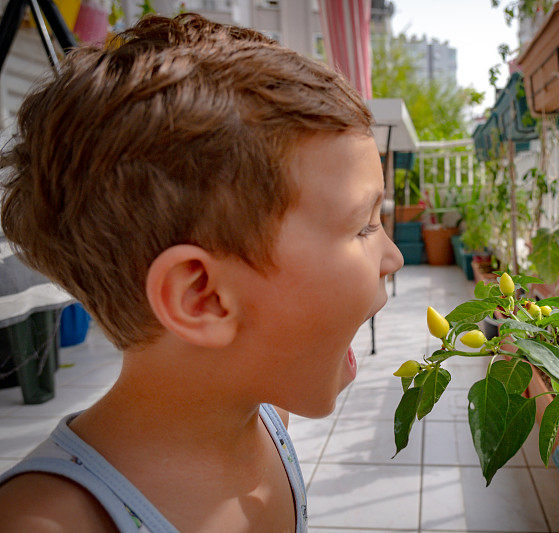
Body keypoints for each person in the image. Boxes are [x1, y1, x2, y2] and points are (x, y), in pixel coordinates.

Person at [0, 13, 403, 532]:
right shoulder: (46, 522)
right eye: (364, 226)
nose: (392, 258)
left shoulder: (268, 420)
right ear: (203, 296)